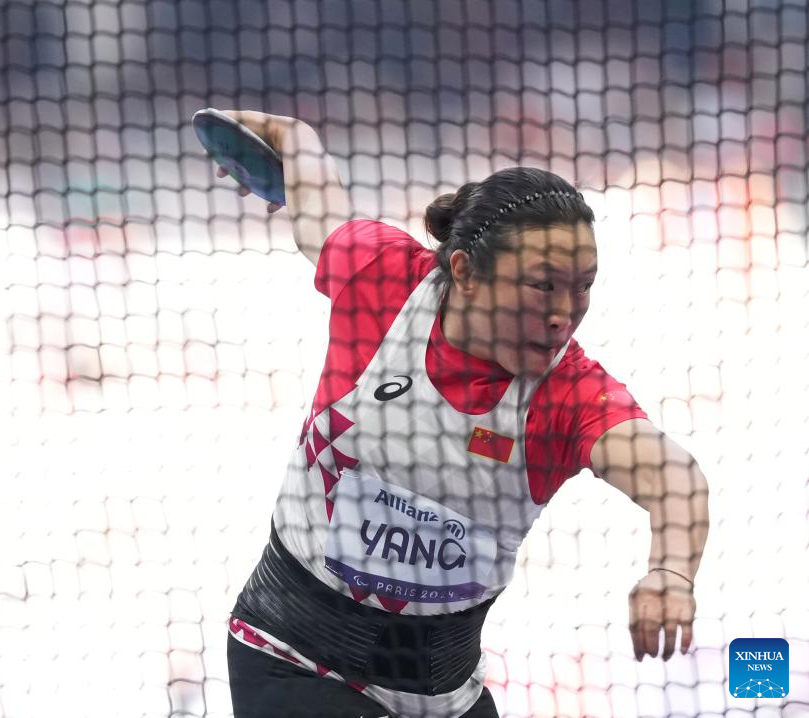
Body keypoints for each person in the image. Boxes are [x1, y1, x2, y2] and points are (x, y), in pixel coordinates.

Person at [211, 111, 710, 718]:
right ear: (465, 272)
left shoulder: (567, 394)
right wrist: (294, 139)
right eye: (543, 285)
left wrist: (671, 574)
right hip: (289, 657)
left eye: (583, 286)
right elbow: (322, 216)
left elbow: (675, 478)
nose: (565, 313)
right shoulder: (384, 282)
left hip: (443, 695)